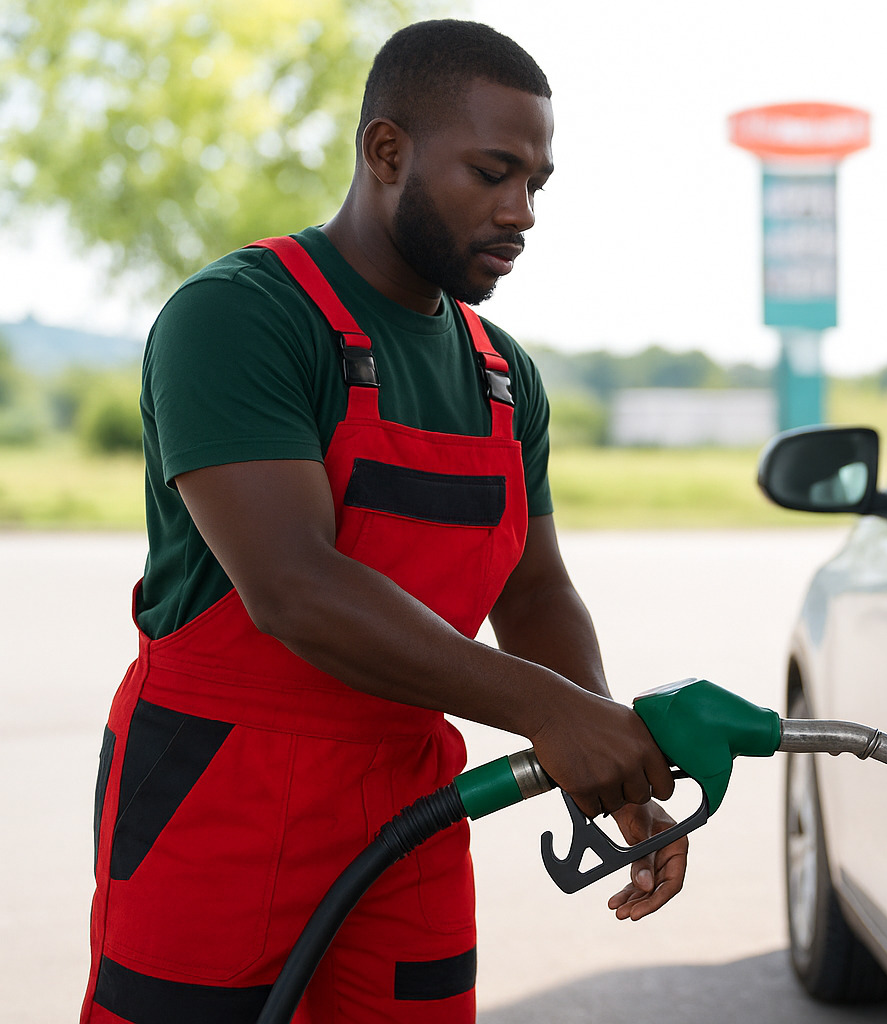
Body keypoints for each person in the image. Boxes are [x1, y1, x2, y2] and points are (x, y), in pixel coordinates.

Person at [81, 20, 687, 1024]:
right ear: (387, 151)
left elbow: (536, 590)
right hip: (216, 790)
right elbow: (295, 587)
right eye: (492, 173)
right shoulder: (241, 317)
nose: (522, 211)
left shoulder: (501, 375)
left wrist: (610, 761)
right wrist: (553, 715)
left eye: (537, 182)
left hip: (410, 798)